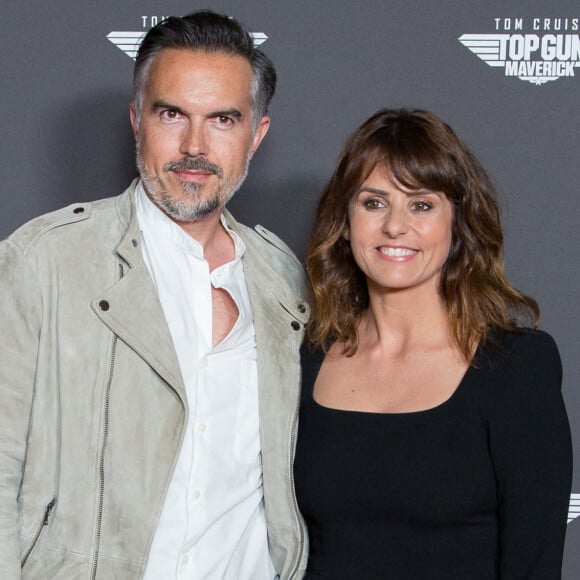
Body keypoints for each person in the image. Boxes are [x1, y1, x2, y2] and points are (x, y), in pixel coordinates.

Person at [0, 11, 309, 579]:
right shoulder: (44, 261)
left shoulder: (283, 281)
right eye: (173, 114)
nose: (195, 145)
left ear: (256, 134)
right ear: (137, 119)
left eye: (222, 120)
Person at [293, 108, 572, 579]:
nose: (395, 226)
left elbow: (535, 565)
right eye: (373, 203)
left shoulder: (516, 367)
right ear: (345, 219)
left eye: (421, 205)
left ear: (456, 223)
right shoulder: (306, 358)